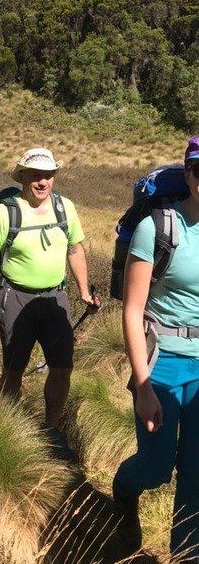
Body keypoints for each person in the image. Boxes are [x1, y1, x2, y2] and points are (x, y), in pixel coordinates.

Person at [113, 136, 199, 559]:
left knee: (197, 477)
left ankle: (185, 555)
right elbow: (132, 310)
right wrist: (143, 385)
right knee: (155, 468)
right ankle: (123, 491)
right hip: (161, 363)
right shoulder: (158, 228)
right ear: (188, 174)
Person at [0, 147, 98, 428]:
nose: (42, 182)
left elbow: (75, 249)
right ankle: (8, 428)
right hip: (15, 297)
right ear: (23, 177)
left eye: (48, 175)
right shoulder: (7, 213)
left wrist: (83, 292)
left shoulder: (64, 207)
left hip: (56, 298)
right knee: (14, 369)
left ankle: (51, 427)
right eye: (36, 175)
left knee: (62, 368)